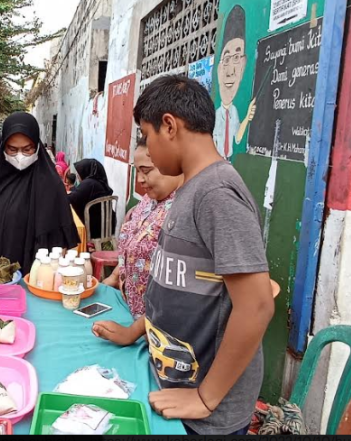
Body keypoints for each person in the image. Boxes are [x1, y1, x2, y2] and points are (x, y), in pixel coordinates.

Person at [93, 75, 274, 435]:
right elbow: (173, 287)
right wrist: (134, 332)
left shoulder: (217, 194)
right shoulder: (189, 189)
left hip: (207, 413)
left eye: (146, 136)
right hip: (172, 382)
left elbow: (256, 305)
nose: (147, 148)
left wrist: (206, 397)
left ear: (169, 126)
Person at [0, 112, 80, 273]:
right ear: (3, 146)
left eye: (27, 149)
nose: (20, 155)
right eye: (12, 149)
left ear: (37, 146)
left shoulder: (50, 183)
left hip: (31, 270)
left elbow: (60, 232)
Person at [102, 137, 183, 318]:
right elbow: (131, 248)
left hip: (154, 326)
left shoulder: (183, 209)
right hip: (127, 308)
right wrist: (114, 278)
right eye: (137, 171)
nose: (139, 179)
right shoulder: (149, 200)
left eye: (146, 171)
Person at [213, 5, 256, 161]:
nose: (230, 71)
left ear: (244, 65)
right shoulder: (215, 115)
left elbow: (237, 137)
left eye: (237, 58)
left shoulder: (234, 112)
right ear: (218, 69)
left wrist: (247, 117)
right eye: (226, 59)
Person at [68, 158, 116, 240]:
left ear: (85, 171)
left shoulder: (89, 183)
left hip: (94, 229)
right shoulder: (98, 182)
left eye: (79, 172)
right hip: (106, 226)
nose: (77, 175)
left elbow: (71, 199)